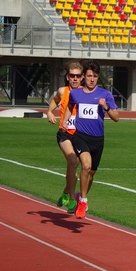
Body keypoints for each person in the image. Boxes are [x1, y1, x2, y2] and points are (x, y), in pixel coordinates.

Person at [61, 60, 119, 219]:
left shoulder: (105, 94)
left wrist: (106, 107)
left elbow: (116, 117)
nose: (91, 79)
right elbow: (69, 106)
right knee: (85, 166)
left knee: (90, 174)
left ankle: (81, 195)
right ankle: (83, 202)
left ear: (98, 77)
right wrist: (65, 121)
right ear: (83, 77)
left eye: (94, 76)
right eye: (88, 76)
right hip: (80, 137)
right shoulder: (76, 93)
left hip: (98, 140)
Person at [46, 61, 84, 213]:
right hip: (65, 133)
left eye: (78, 76)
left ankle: (66, 192)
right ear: (68, 77)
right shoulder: (63, 91)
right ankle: (73, 199)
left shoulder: (87, 93)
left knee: (72, 167)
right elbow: (55, 100)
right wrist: (49, 112)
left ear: (82, 77)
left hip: (81, 135)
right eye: (72, 76)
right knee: (73, 161)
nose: (75, 78)